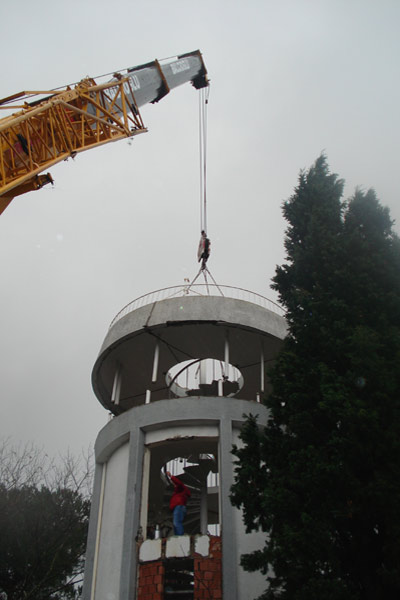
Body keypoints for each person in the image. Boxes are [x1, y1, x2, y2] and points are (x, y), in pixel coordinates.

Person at [166, 471, 191, 535]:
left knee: (176, 523)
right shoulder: (180, 492)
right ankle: (178, 536)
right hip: (179, 507)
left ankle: (180, 536)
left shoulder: (181, 489)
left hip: (179, 507)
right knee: (176, 524)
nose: (174, 485)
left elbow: (179, 483)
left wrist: (171, 476)